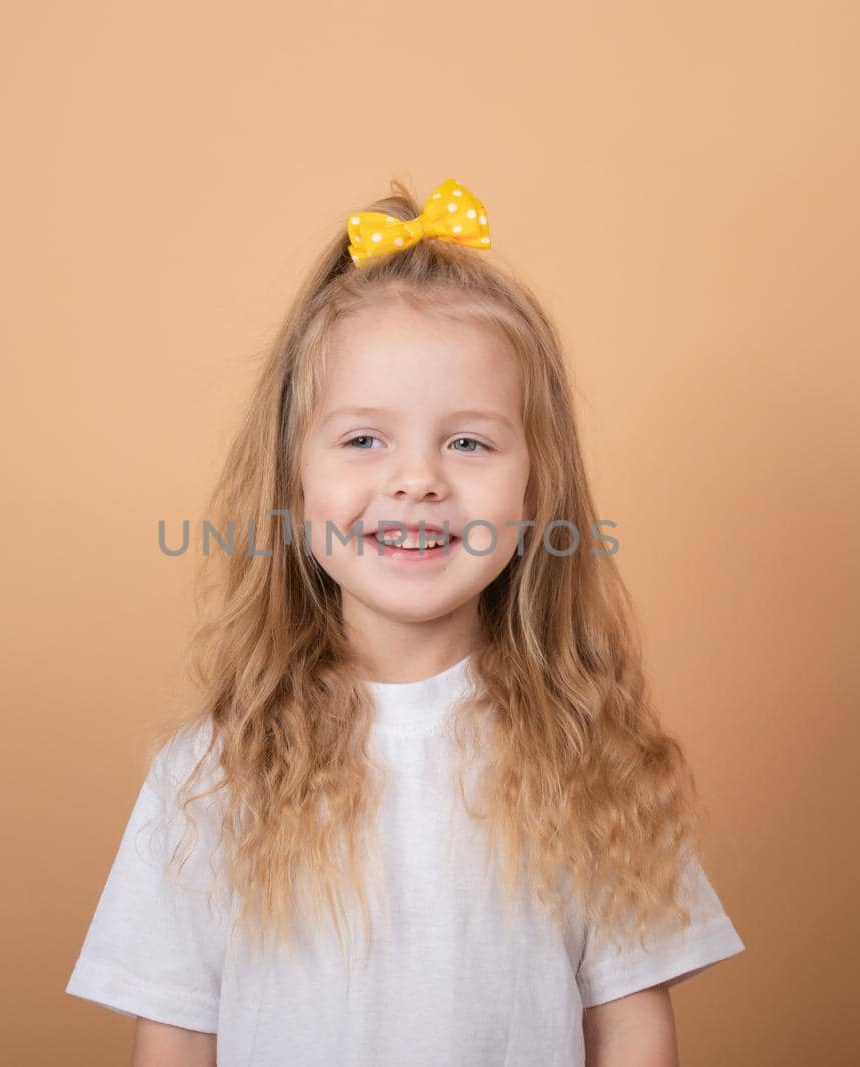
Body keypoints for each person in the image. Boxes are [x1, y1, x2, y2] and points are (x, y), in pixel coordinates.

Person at [66, 177, 745, 1066]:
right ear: (292, 482)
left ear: (539, 490)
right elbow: (177, 1033)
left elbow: (628, 1026)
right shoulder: (213, 770)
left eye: (468, 441)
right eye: (363, 439)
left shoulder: (585, 754)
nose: (417, 479)